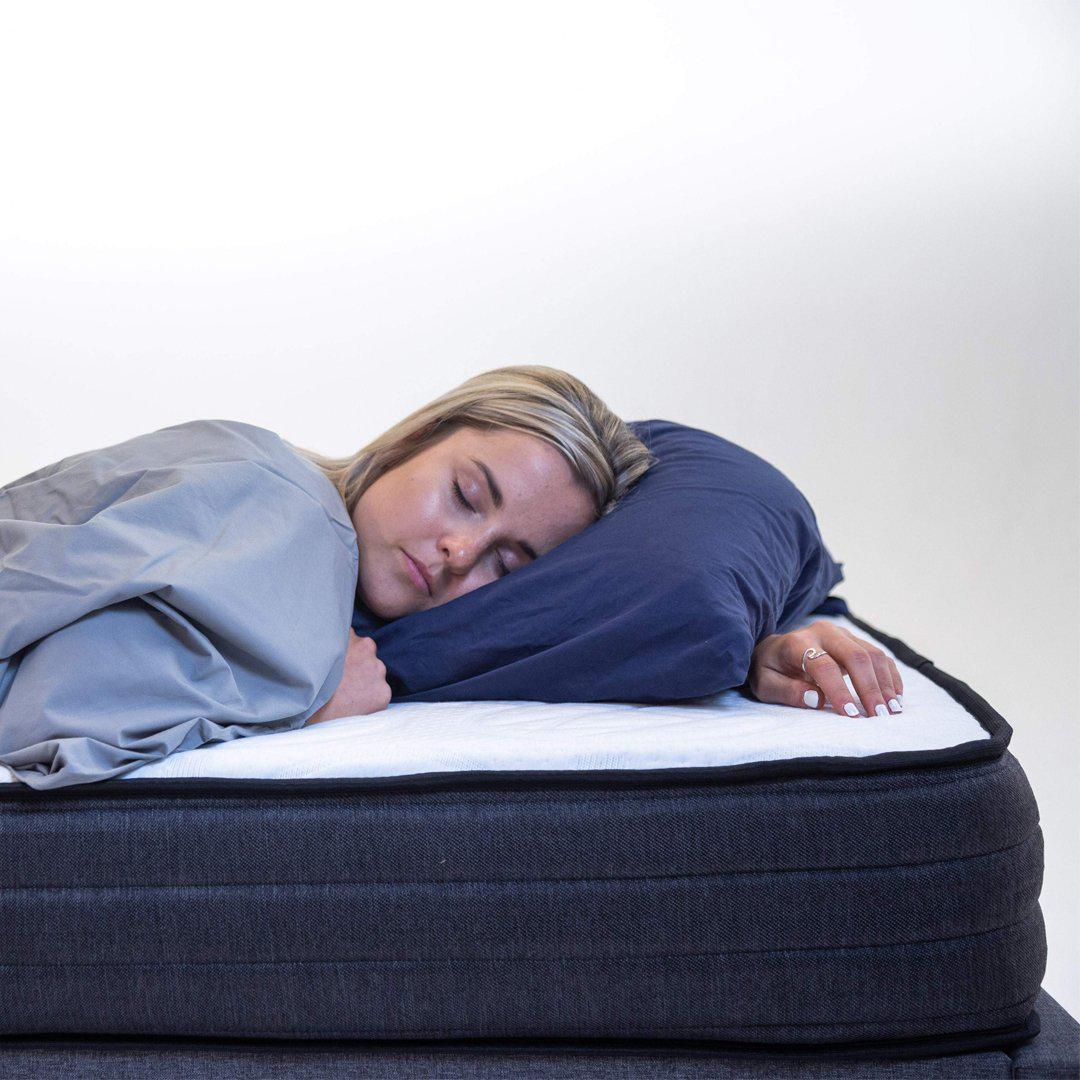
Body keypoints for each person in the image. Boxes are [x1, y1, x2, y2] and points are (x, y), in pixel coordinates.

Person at [288, 365, 903, 726]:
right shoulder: (262, 500)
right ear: (416, 438)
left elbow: (664, 592)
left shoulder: (408, 641)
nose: (460, 551)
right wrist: (293, 699)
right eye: (467, 494)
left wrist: (748, 649)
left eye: (508, 565)